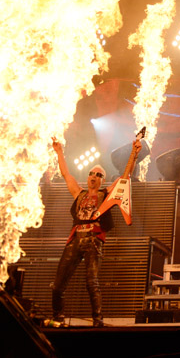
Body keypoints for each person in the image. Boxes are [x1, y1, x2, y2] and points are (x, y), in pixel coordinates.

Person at [49, 136, 141, 327]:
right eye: (92, 173)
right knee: (58, 285)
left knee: (92, 282)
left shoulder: (106, 194)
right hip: (75, 239)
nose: (94, 176)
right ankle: (57, 317)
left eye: (98, 175)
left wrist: (134, 154)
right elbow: (66, 174)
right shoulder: (79, 193)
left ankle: (97, 320)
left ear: (102, 180)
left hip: (93, 240)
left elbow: (125, 178)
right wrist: (59, 152)